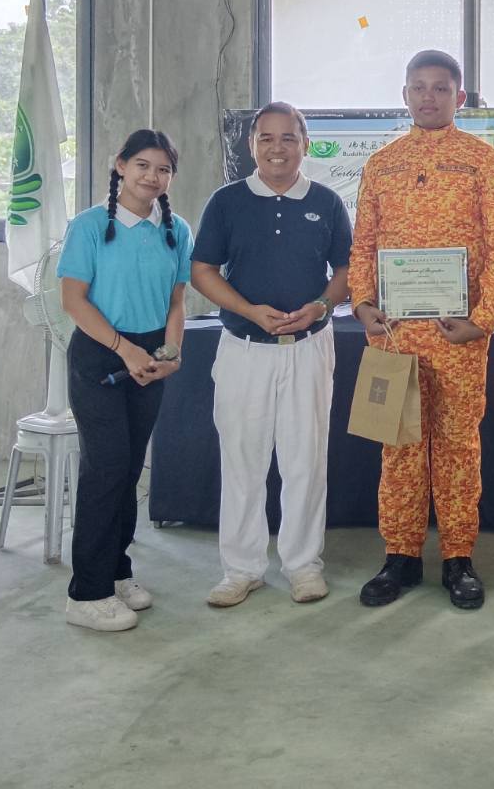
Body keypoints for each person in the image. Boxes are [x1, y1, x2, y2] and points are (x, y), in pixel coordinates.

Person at [348, 51, 494, 609]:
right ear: (404, 95)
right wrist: (363, 303)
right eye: (418, 88)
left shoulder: (487, 163)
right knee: (398, 448)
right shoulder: (381, 164)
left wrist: (484, 319)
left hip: (458, 336)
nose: (428, 97)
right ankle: (399, 557)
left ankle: (457, 557)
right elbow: (363, 245)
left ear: (459, 99)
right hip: (395, 335)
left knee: (456, 448)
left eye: (441, 88)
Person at [191, 103, 352, 610]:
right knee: (242, 460)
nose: (277, 148)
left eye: (288, 138)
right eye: (266, 138)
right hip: (244, 350)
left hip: (308, 349)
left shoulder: (326, 202)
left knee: (306, 459)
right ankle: (241, 568)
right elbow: (203, 270)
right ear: (251, 145)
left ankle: (303, 565)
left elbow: (347, 270)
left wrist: (322, 306)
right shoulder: (226, 202)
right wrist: (249, 310)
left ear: (305, 143)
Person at [57, 130, 193, 632]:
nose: (151, 177)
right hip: (101, 356)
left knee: (130, 468)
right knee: (105, 469)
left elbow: (177, 302)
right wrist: (124, 349)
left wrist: (171, 352)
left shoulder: (177, 229)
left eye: (162, 169)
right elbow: (74, 302)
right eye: (141, 165)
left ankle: (116, 572)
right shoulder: (90, 226)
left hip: (151, 356)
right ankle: (86, 593)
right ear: (119, 166)